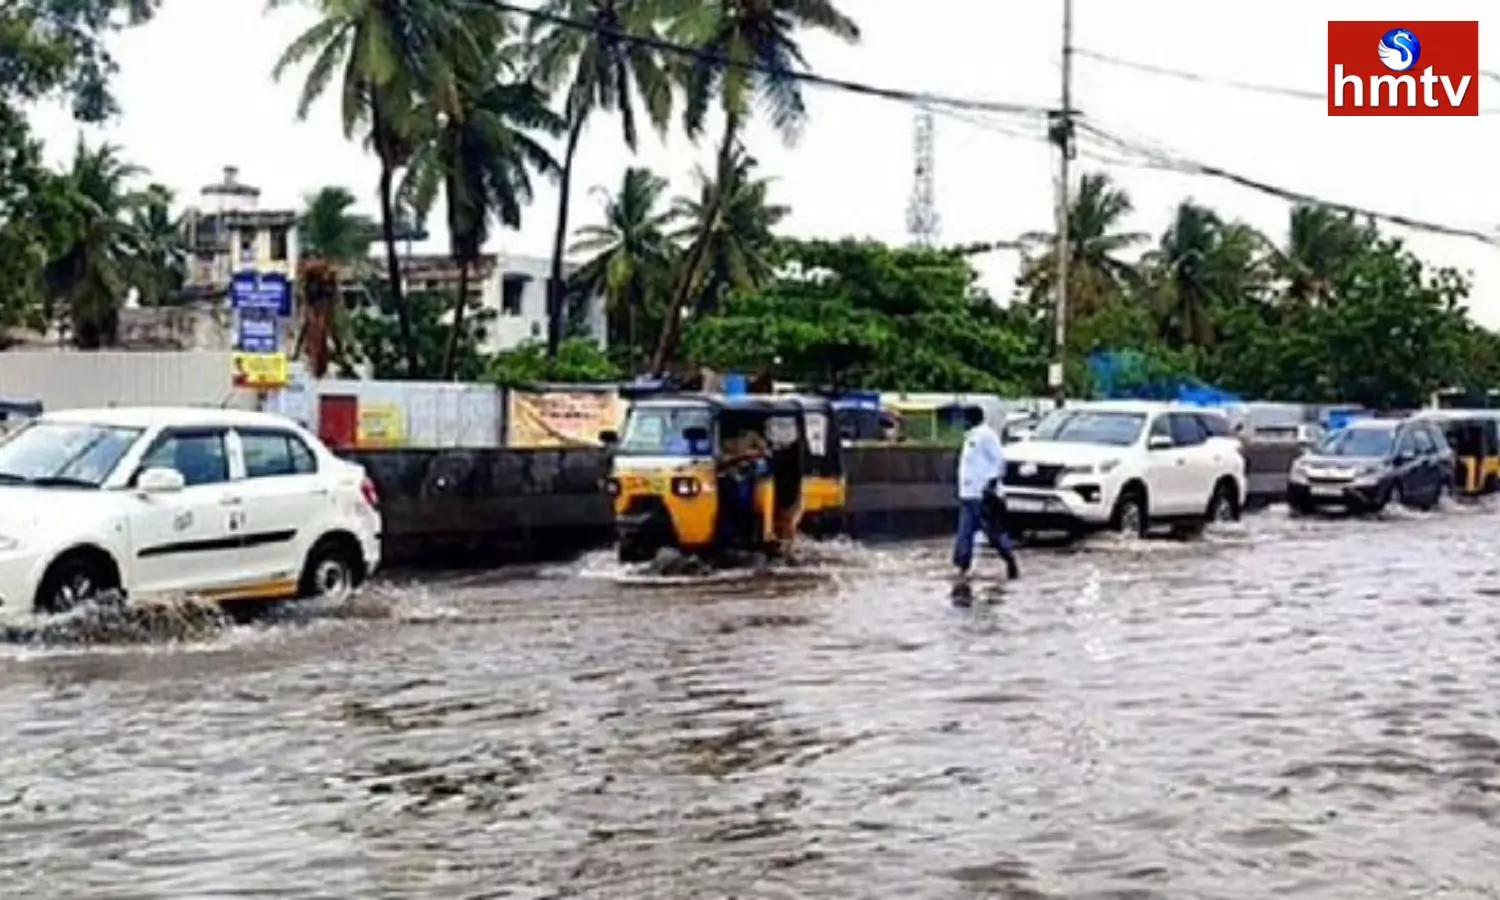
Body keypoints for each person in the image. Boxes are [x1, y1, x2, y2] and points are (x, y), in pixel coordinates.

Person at [954, 405, 1020, 581]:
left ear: (972, 419)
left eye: (964, 418)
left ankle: (1010, 560)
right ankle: (963, 568)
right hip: (968, 494)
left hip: (982, 495)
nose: (962, 422)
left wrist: (990, 484)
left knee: (993, 534)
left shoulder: (986, 436)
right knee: (964, 534)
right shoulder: (970, 437)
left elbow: (999, 460)